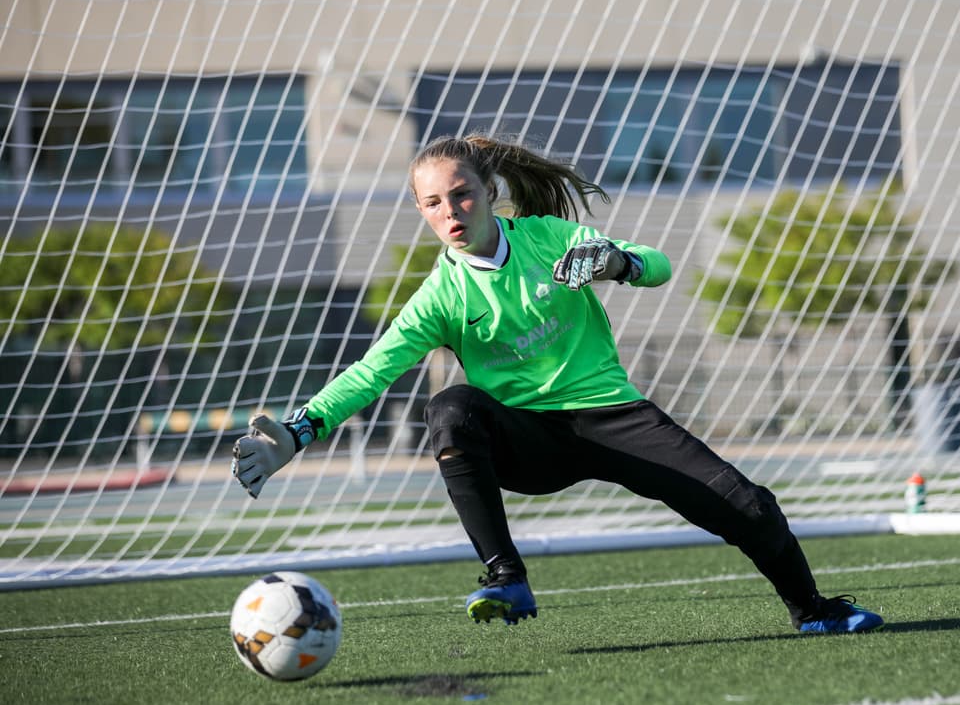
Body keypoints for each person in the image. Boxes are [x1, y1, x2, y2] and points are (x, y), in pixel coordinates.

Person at [231, 133, 883, 635]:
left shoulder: (547, 237)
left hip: (612, 417)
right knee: (451, 406)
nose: (450, 211)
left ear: (488, 191)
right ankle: (505, 576)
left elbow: (659, 265)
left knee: (749, 504)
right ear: (423, 211)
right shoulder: (441, 295)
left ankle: (814, 610)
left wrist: (617, 261)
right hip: (529, 443)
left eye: (461, 193)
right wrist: (299, 430)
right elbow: (373, 370)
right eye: (433, 202)